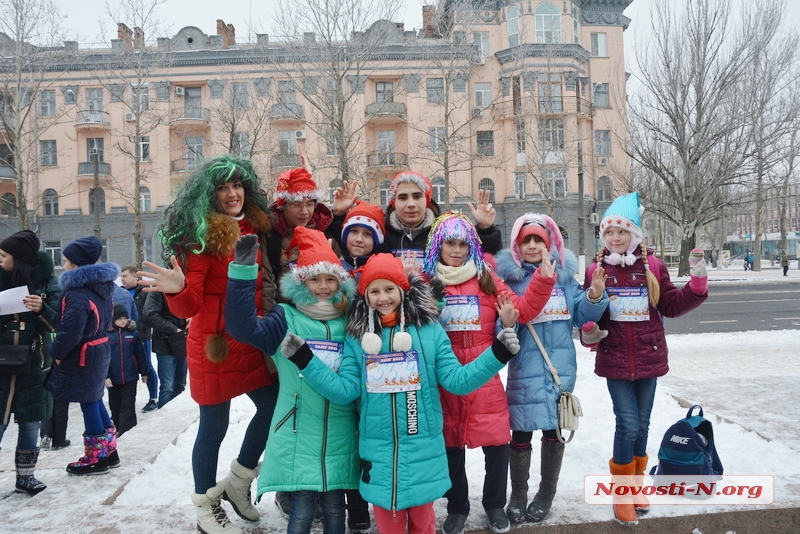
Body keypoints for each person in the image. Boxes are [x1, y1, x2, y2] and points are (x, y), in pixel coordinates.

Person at [278, 253, 522, 534]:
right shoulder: (358, 339)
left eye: (390, 289)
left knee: (423, 526)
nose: (383, 297)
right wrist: (306, 360)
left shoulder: (430, 332)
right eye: (375, 291)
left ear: (403, 290)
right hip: (379, 456)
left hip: (424, 453)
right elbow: (345, 391)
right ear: (365, 295)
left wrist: (497, 354)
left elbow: (457, 381)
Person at [137, 155, 278, 534]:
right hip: (215, 345)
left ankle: (237, 479)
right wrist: (177, 289)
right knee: (212, 429)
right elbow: (191, 305)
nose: (232, 193)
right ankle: (204, 505)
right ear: (208, 194)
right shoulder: (199, 236)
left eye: (237, 185)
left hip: (250, 339)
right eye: (222, 187)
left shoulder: (252, 224)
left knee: (274, 406)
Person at [421, 212, 556, 534]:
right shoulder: (425, 283)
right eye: (450, 243)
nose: (456, 250)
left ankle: (494, 504)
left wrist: (543, 280)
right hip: (445, 375)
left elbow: (520, 311)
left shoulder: (486, 279)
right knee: (451, 446)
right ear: (438, 246)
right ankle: (457, 507)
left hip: (485, 372)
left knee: (496, 445)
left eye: (463, 244)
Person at [586, 192, 708, 526]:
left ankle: (636, 486)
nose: (615, 238)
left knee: (642, 426)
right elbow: (587, 317)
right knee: (627, 425)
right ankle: (621, 494)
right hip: (615, 359)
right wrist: (594, 299)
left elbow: (669, 305)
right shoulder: (596, 269)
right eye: (610, 232)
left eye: (622, 232)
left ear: (634, 235)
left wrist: (696, 285)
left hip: (648, 356)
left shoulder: (652, 266)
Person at [226, 228, 358, 534]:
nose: (323, 286)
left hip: (340, 431)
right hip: (297, 429)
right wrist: (244, 272)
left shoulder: (349, 320)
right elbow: (242, 328)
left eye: (330, 278)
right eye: (314, 279)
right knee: (302, 509)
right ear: (301, 281)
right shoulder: (285, 317)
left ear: (340, 281)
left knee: (337, 508)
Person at [494, 214, 609, 523]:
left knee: (553, 432)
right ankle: (518, 495)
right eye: (526, 240)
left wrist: (595, 296)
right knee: (520, 433)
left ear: (550, 244)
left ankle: (546, 494)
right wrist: (505, 323)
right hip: (525, 371)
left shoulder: (564, 280)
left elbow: (580, 315)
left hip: (560, 370)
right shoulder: (509, 282)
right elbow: (501, 327)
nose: (532, 246)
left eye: (538, 240)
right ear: (516, 246)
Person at [46, 236, 120, 476]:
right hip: (100, 348)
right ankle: (109, 451)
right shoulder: (103, 287)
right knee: (96, 397)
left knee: (89, 400)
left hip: (84, 353)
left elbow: (70, 331)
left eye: (66, 261)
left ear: (76, 264)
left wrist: (56, 353)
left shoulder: (76, 293)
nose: (64, 265)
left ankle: (95, 458)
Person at [0, 230, 60, 494]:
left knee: (30, 421)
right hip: (2, 360)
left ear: (19, 258)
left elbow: (59, 321)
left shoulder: (48, 283)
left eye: (3, 255)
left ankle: (26, 477)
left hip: (35, 361)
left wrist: (41, 309)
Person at [381, 171, 504, 268]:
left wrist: (485, 228)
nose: (411, 204)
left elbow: (486, 263)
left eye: (417, 196)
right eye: (403, 198)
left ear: (427, 200)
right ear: (394, 202)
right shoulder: (382, 233)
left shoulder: (445, 230)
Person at [266, 167, 342, 284]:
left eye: (310, 204)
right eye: (297, 204)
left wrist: (340, 215)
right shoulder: (270, 235)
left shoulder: (327, 231)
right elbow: (266, 282)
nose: (305, 212)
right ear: (282, 206)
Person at [105, 304, 148, 436]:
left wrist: (144, 372)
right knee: (115, 404)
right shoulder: (107, 335)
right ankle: (118, 427)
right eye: (120, 318)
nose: (123, 321)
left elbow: (141, 354)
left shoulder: (133, 333)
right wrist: (106, 376)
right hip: (113, 378)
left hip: (130, 376)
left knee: (128, 404)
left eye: (125, 318)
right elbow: (103, 358)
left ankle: (127, 430)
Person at [120, 265, 158, 412]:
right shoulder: (120, 292)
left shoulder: (144, 292)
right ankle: (125, 403)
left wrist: (138, 326)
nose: (122, 279)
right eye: (121, 276)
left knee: (147, 366)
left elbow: (149, 313)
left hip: (142, 336)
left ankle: (153, 398)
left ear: (135, 276)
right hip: (123, 337)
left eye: (125, 276)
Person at [142, 290, 188, 409]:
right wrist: (173, 329)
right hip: (165, 343)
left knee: (180, 384)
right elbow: (149, 315)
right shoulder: (156, 293)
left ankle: (177, 417)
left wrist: (192, 317)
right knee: (167, 386)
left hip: (182, 340)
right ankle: (165, 416)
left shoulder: (183, 289)